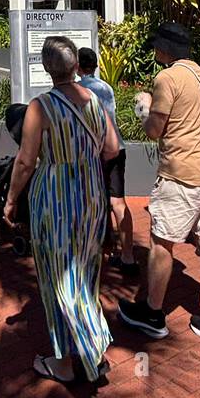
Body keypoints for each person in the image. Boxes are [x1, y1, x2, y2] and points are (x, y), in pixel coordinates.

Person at [119, 22, 200, 353]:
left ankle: (152, 314)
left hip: (182, 175)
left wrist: (142, 106)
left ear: (165, 50)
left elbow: (155, 129)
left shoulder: (167, 78)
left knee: (162, 243)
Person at [4, 35, 119, 384]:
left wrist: (10, 201)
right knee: (84, 273)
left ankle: (67, 362)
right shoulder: (94, 100)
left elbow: (25, 161)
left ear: (46, 69)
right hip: (91, 193)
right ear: (74, 66)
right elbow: (112, 148)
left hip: (55, 195)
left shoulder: (41, 106)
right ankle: (89, 350)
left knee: (58, 278)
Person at [76, 46, 137, 277]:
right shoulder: (106, 87)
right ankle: (128, 256)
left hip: (93, 153)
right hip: (116, 148)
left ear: (77, 66)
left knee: (93, 203)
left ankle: (97, 254)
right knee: (118, 202)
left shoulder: (76, 90)